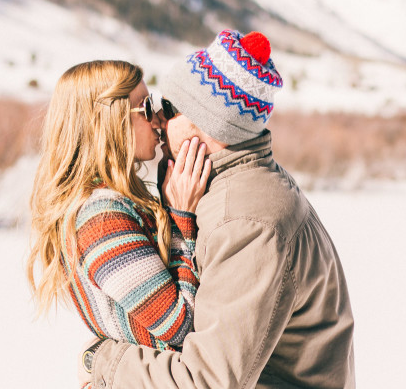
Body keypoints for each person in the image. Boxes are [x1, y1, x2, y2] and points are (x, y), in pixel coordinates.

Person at [79, 30, 356, 389]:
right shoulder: (228, 190)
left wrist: (103, 360)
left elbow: (204, 381)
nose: (157, 120)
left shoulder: (246, 222)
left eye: (169, 108)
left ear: (208, 124)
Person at [26, 61, 212, 372]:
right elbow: (181, 328)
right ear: (109, 120)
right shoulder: (101, 220)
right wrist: (182, 219)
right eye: (144, 107)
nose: (157, 120)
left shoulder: (112, 204)